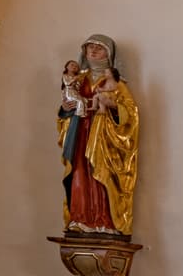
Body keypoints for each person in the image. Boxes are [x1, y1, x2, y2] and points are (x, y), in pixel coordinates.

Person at [58, 35, 140, 235]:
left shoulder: (117, 83)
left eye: (99, 48)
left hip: (104, 139)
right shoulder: (77, 80)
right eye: (89, 48)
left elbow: (130, 114)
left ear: (109, 54)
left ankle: (105, 222)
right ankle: (80, 219)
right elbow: (65, 112)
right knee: (79, 175)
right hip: (79, 136)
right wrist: (65, 109)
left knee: (101, 176)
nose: (93, 52)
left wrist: (112, 105)